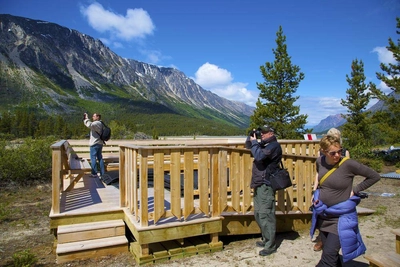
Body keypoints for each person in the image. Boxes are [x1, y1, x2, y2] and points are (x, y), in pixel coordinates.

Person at [310, 135, 380, 266]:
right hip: (324, 215)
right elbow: (320, 179)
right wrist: (316, 193)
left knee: (328, 259)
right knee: (331, 254)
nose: (337, 155)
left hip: (341, 218)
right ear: (324, 152)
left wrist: (356, 189)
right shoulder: (320, 161)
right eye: (333, 153)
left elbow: (374, 176)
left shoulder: (348, 164)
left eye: (339, 151)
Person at [245, 125, 282, 256]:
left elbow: (259, 156)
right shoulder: (264, 144)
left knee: (266, 215)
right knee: (259, 214)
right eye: (261, 132)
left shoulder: (273, 146)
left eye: (265, 132)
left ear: (271, 133)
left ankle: (270, 245)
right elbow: (248, 146)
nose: (262, 134)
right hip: (259, 184)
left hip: (267, 184)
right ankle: (266, 239)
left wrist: (255, 143)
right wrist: (251, 137)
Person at [312, 128, 350, 252]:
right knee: (320, 214)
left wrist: (351, 190)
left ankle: (335, 242)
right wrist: (315, 188)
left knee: (337, 217)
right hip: (324, 188)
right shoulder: (322, 153)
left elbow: (348, 175)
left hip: (338, 190)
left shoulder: (344, 153)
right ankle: (323, 239)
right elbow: (318, 172)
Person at [83, 112, 105, 178]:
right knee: (100, 158)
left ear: (98, 117)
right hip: (100, 143)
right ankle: (102, 173)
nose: (93, 117)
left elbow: (89, 125)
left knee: (93, 159)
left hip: (94, 143)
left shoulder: (96, 123)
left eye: (94, 116)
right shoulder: (101, 123)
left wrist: (86, 118)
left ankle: (94, 173)